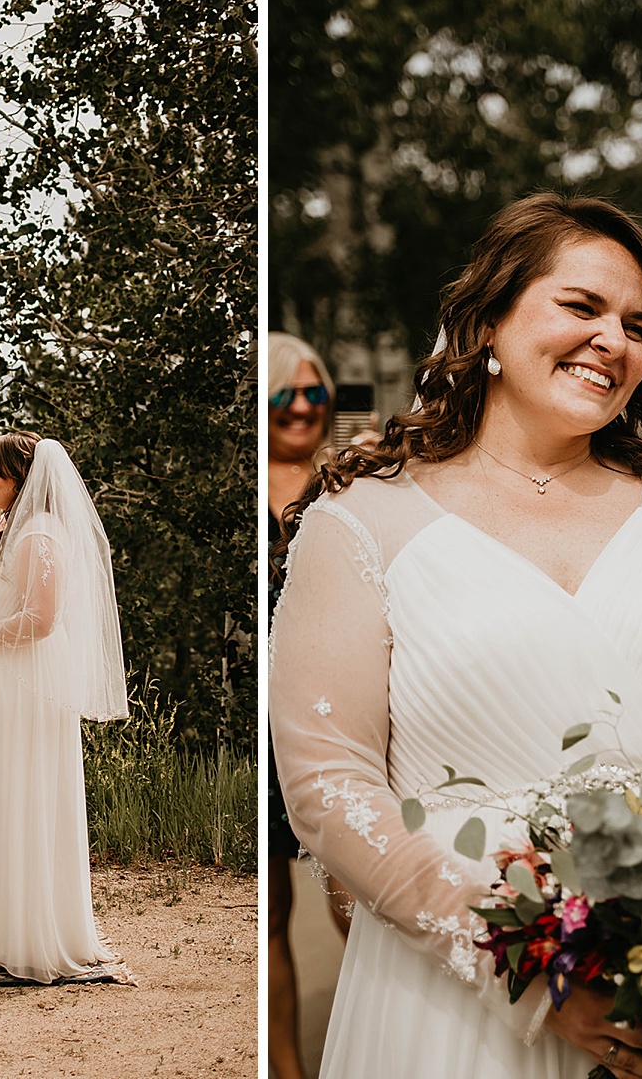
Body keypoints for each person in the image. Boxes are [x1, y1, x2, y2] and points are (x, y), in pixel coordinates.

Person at [270, 194, 642, 1079]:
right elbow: (328, 783)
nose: (613, 341)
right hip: (454, 1004)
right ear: (490, 323)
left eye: (637, 326)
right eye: (581, 307)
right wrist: (528, 966)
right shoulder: (362, 521)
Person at [0, 432, 127, 981]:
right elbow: (2, 599)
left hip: (24, 689)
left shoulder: (40, 535)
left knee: (21, 795)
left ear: (22, 478)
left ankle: (27, 930)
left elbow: (41, 621)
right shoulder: (7, 527)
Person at [266, 331, 350, 1079]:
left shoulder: (357, 482)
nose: (299, 406)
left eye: (313, 391)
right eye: (281, 393)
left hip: (341, 719)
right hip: (260, 721)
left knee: (358, 902)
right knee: (270, 919)